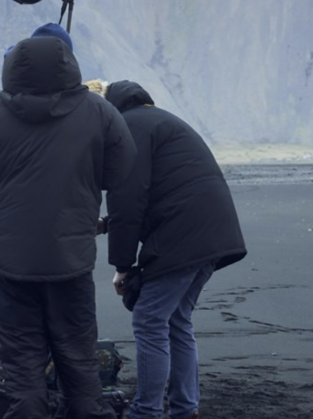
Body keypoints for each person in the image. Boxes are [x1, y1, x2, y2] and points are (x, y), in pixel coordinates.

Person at [0, 24, 136, 419]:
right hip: (70, 258)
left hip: (12, 260)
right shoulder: (99, 112)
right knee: (79, 360)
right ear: (68, 64)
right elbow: (121, 170)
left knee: (22, 365)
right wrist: (84, 191)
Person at [98, 79, 247, 419]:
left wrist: (122, 265)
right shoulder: (160, 120)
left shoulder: (130, 127)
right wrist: (108, 223)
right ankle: (184, 407)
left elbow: (129, 196)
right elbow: (164, 188)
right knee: (176, 319)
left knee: (149, 319)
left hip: (184, 235)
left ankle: (146, 411)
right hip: (214, 233)